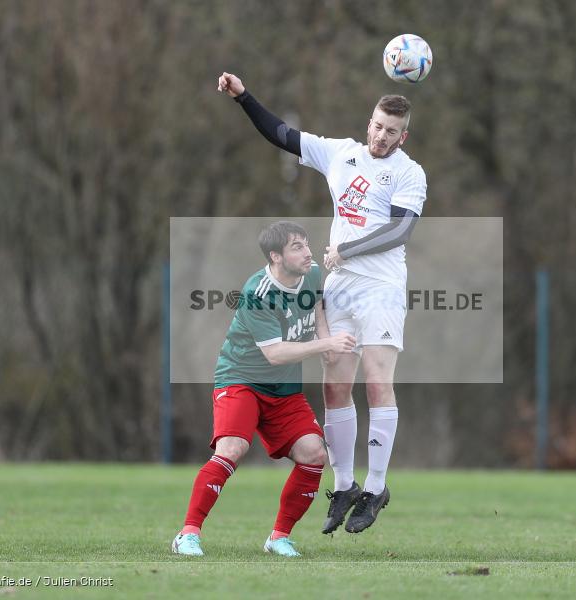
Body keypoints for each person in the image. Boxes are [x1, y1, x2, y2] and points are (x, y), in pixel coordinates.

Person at [217, 72, 427, 534]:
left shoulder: (409, 172)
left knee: (376, 384)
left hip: (381, 289)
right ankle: (346, 484)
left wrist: (345, 250)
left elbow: (400, 230)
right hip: (339, 289)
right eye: (376, 126)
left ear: (402, 135)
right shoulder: (341, 152)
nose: (381, 136)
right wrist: (243, 97)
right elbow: (281, 134)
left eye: (391, 131)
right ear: (368, 122)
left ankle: (375, 488)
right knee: (334, 387)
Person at [171, 221, 356, 557]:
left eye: (306, 244)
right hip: (241, 380)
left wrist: (324, 338)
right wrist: (326, 344)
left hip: (283, 391)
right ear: (275, 256)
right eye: (297, 247)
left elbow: (316, 308)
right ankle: (187, 534)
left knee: (314, 454)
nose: (308, 252)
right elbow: (276, 353)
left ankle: (279, 537)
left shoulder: (313, 274)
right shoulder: (258, 294)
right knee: (232, 448)